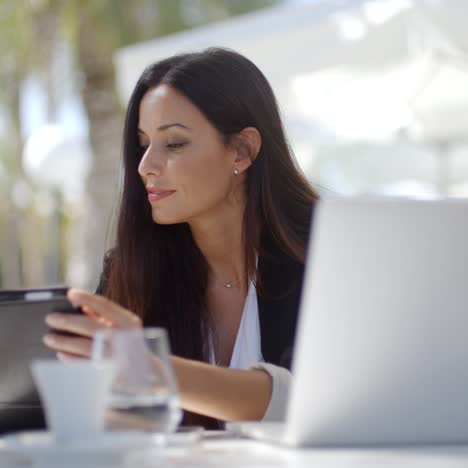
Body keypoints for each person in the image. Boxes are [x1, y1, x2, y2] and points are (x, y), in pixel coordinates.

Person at [43, 47, 318, 427]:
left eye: (173, 144)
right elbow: (113, 428)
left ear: (241, 150)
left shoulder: (327, 256)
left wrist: (149, 369)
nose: (145, 166)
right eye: (143, 144)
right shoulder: (132, 269)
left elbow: (312, 403)